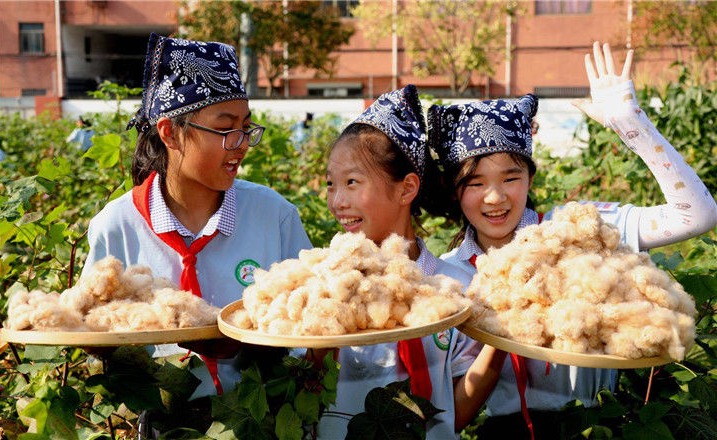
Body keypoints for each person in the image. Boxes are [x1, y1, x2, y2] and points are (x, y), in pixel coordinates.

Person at [431, 42, 717, 439]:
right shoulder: (449, 274)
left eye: (511, 178)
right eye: (475, 183)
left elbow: (697, 214)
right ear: (453, 190)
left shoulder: (579, 232)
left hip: (597, 427)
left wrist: (631, 124)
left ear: (530, 178)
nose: (495, 198)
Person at [83, 33, 312, 401]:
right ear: (170, 133)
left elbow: (313, 323)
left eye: (245, 127)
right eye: (224, 129)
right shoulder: (117, 226)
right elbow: (92, 332)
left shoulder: (275, 216)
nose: (239, 143)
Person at [318, 84, 506, 439]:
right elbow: (305, 383)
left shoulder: (456, 288)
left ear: (406, 188)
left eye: (352, 182)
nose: (338, 201)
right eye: (331, 184)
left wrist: (501, 339)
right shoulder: (321, 284)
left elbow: (455, 411)